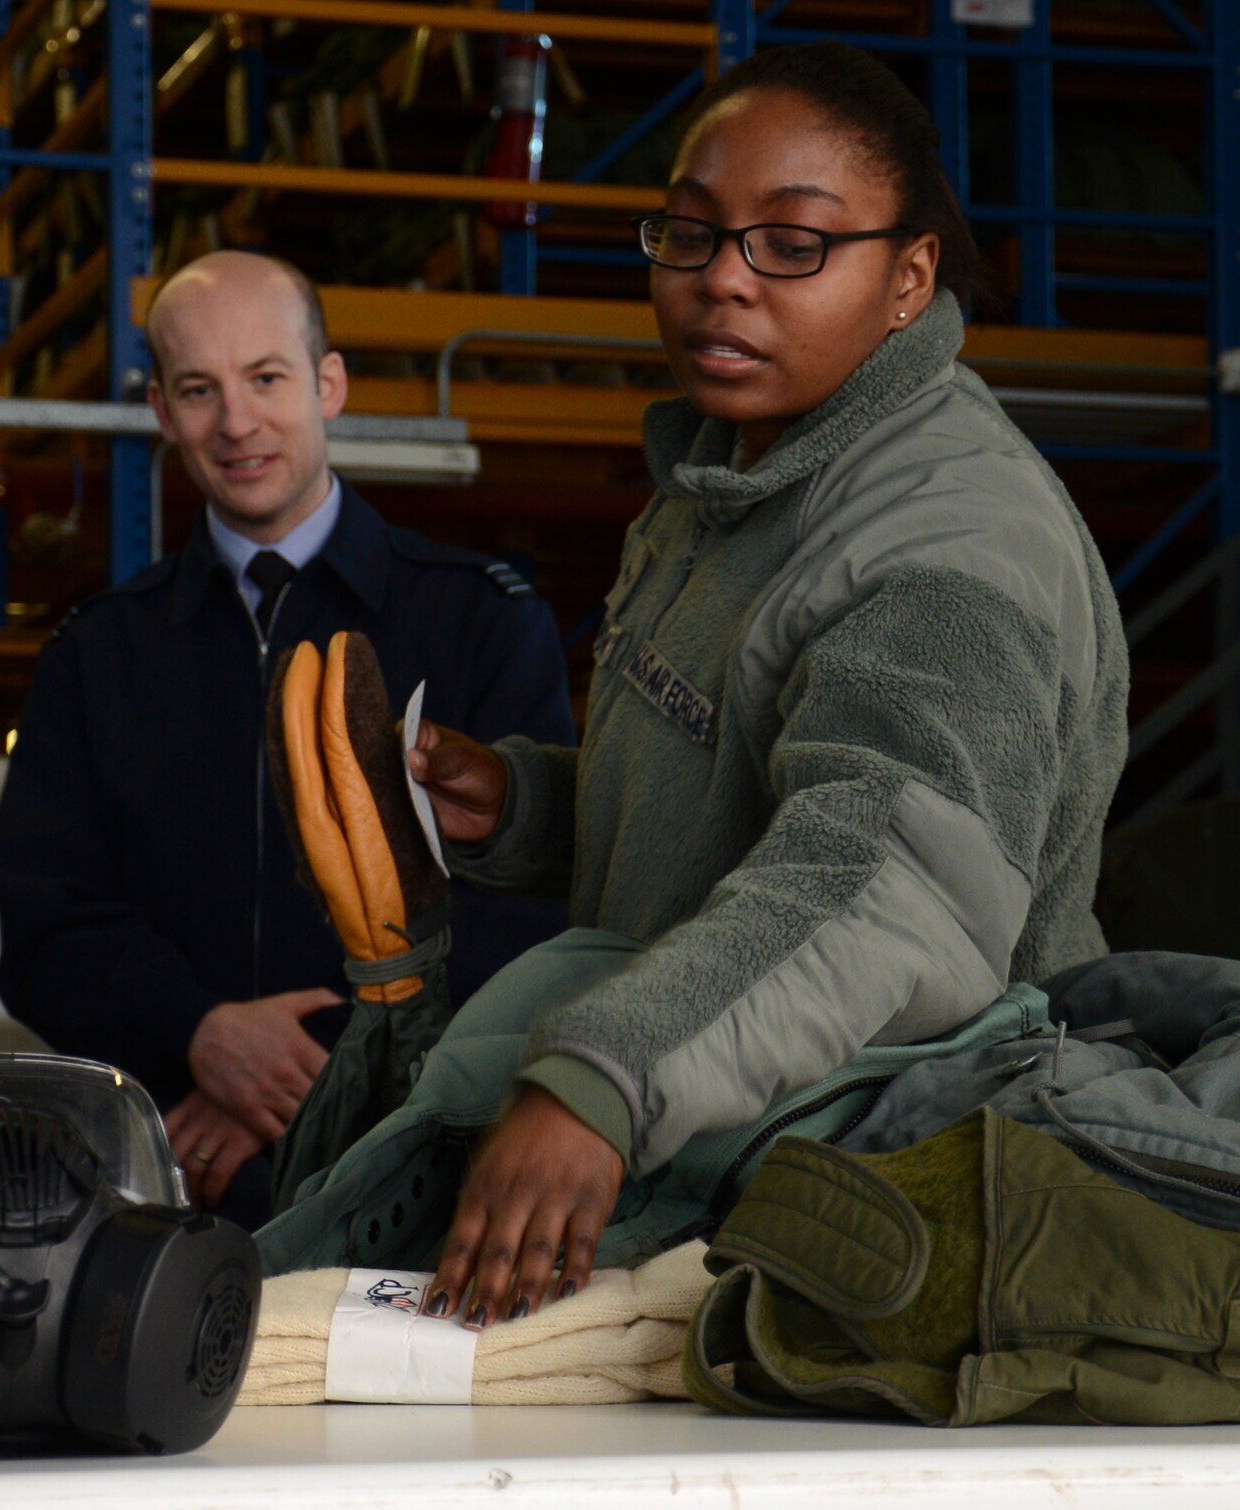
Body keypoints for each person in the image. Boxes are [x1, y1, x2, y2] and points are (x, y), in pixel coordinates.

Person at [405, 43, 1129, 1328]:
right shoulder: (735, 479)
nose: (720, 280)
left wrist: (604, 1077)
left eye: (790, 244)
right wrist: (522, 809)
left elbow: (881, 892)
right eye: (688, 234)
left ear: (907, 279)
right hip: (714, 1135)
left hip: (872, 1203)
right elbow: (745, 796)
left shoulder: (948, 546)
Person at [0, 251, 575, 1230]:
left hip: (414, 1185)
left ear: (327, 384)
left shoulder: (479, 623)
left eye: (265, 378)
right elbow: (43, 928)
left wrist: (323, 1075)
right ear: (163, 413)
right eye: (198, 390)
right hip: (170, 1184)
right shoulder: (96, 654)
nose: (237, 422)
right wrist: (201, 1034)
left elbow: (532, 913)